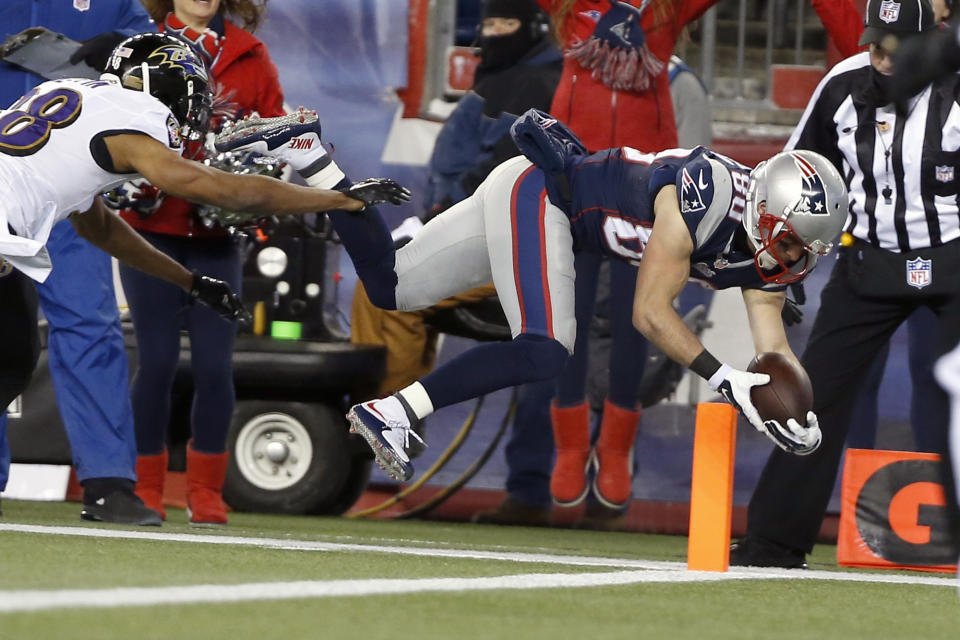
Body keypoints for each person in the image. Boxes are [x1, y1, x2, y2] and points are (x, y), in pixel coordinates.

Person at [231, 102, 849, 486]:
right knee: (547, 349)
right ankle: (392, 411)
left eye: (805, 251)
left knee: (390, 286)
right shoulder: (703, 196)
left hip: (536, 202)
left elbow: (774, 351)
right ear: (768, 211)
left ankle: (309, 155)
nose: (795, 259)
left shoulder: (776, 255)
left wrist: (793, 414)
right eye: (793, 242)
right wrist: (725, 379)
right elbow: (649, 312)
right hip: (544, 197)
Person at [0, 33, 408, 521]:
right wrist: (338, 197)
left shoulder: (74, 97)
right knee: (9, 358)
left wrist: (188, 283)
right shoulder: (132, 118)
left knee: (12, 355)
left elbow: (101, 227)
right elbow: (216, 187)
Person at [731, 0, 960, 569]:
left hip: (957, 258)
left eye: (894, 47)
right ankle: (774, 540)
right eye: (874, 43)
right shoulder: (843, 83)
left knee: (953, 398)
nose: (880, 57)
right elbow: (795, 172)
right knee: (814, 395)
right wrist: (784, 260)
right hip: (868, 261)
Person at [348, 0, 564, 527]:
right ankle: (392, 423)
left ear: (535, 28)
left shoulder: (546, 83)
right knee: (384, 290)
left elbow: (512, 178)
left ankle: (389, 424)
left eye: (505, 24)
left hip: (521, 244)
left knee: (392, 294)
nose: (492, 34)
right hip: (478, 237)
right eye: (486, 24)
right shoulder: (498, 82)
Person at [532, 0, 721, 527]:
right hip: (574, 170)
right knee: (565, 310)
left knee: (638, 315)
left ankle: (615, 450)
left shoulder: (664, 10)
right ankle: (571, 446)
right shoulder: (570, 8)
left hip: (644, 180)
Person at [117, 0, 285, 526]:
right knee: (159, 362)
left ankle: (206, 491)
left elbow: (277, 133)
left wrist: (257, 166)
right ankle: (144, 485)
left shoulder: (250, 55)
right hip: (151, 234)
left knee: (215, 367)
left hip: (217, 238)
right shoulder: (139, 46)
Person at [0, 0, 156, 524]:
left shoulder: (118, 3)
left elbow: (161, 62)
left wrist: (125, 58)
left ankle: (109, 483)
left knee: (91, 323)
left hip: (70, 192)